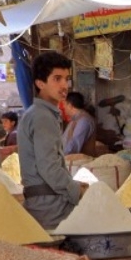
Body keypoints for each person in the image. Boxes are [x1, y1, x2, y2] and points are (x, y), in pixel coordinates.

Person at [18, 51, 81, 229]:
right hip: (50, 207)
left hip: (44, 202)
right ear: (40, 83)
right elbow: (49, 167)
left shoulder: (39, 113)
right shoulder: (42, 116)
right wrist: (76, 190)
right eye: (57, 78)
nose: (64, 85)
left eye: (66, 79)